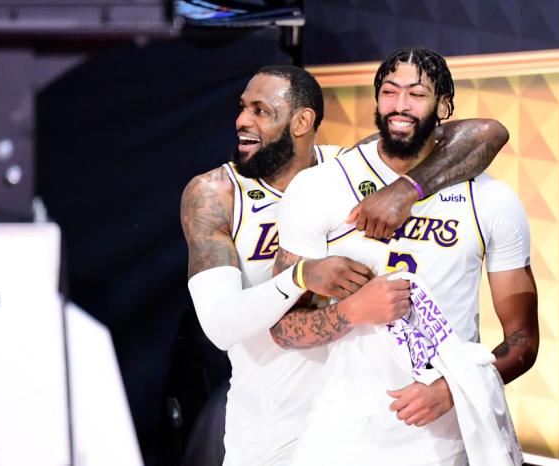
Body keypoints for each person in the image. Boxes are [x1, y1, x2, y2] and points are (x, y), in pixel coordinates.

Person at [181, 64, 508, 466]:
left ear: (302, 122)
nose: (242, 121)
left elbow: (486, 132)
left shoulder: (346, 169)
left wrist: (407, 189)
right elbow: (219, 327)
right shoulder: (216, 193)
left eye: (260, 110)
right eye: (243, 108)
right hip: (270, 421)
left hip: (356, 420)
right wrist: (301, 276)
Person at [272, 48, 539, 465]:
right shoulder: (320, 187)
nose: (400, 105)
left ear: (444, 106)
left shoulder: (492, 200)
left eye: (416, 94)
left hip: (443, 442)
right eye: (389, 92)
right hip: (339, 434)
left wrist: (452, 388)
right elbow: (282, 328)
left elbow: (523, 341)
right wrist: (353, 310)